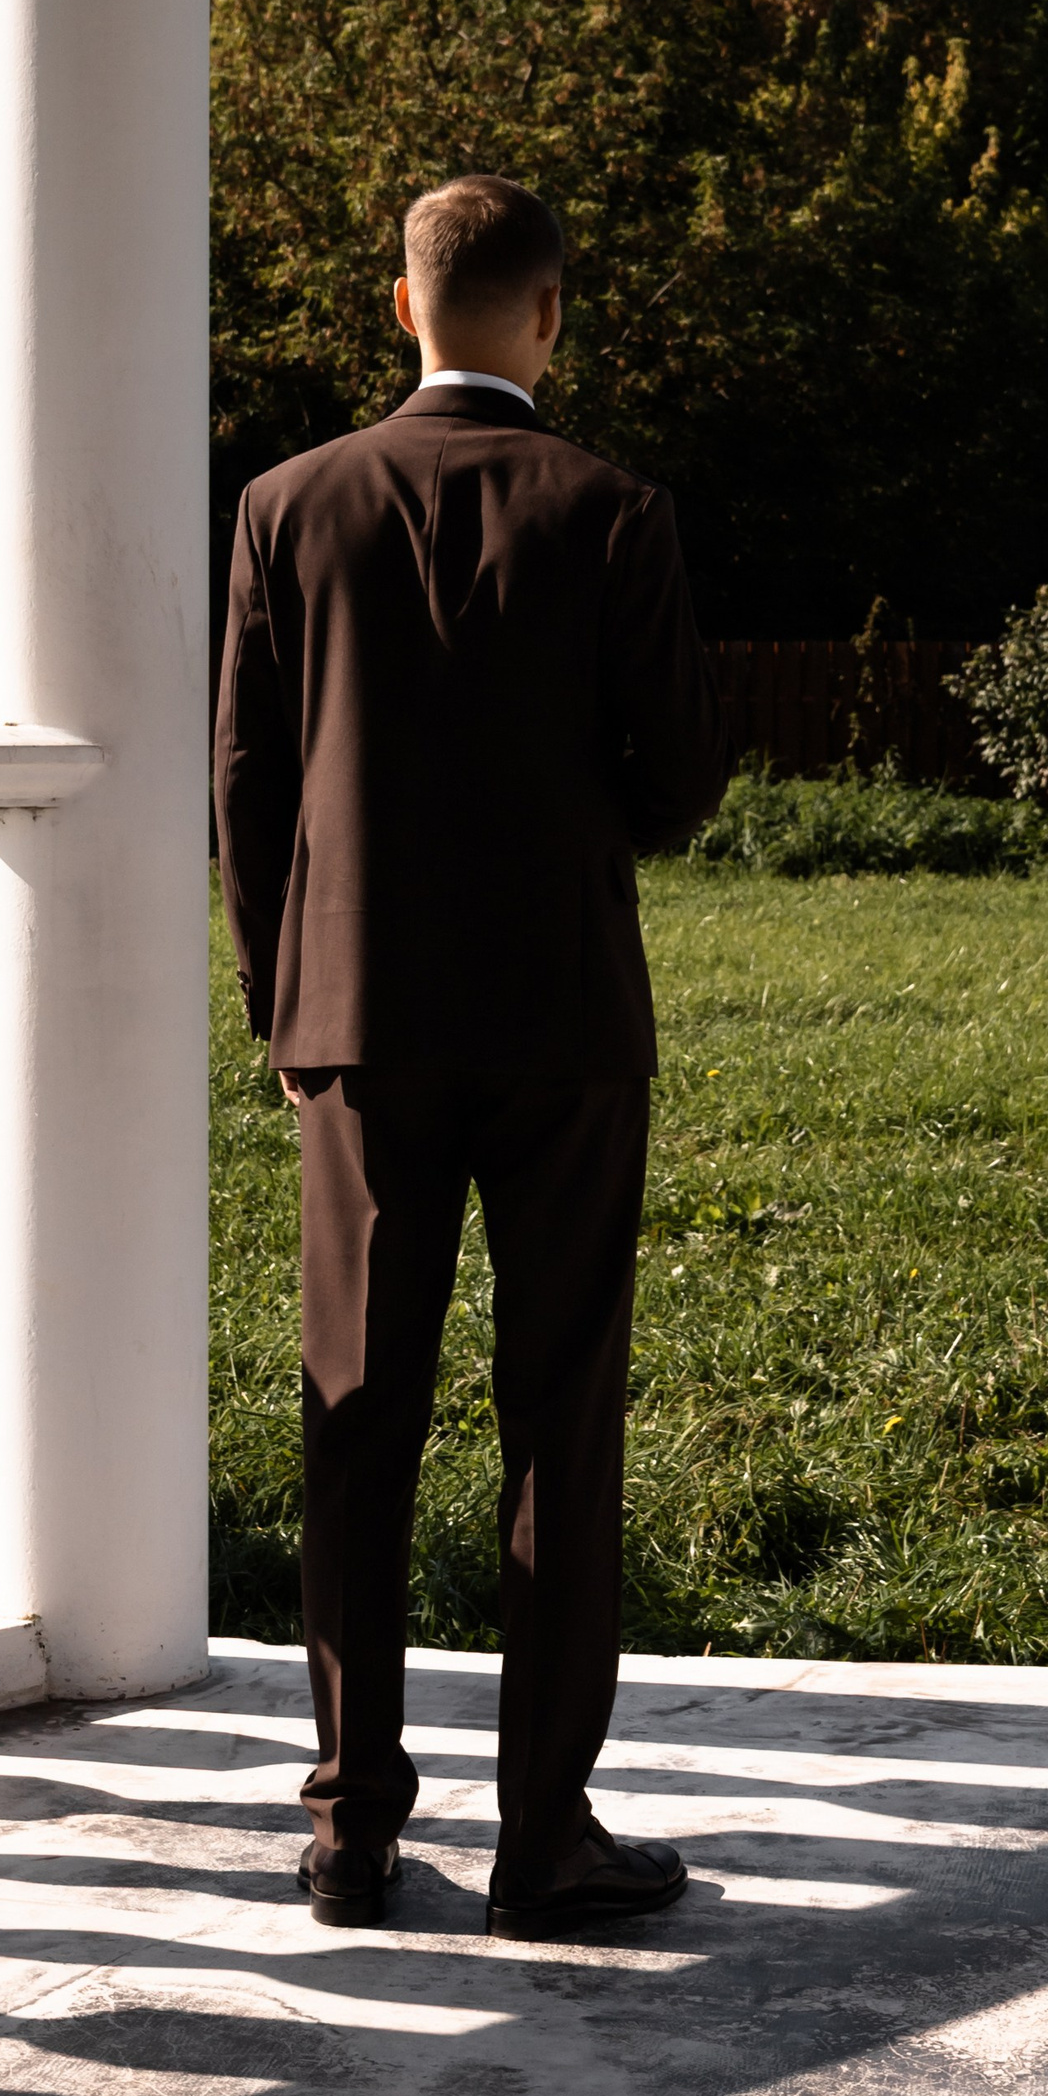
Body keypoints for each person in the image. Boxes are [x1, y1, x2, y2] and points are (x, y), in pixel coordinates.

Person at [214, 174, 728, 1938]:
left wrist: (283, 999)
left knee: (358, 1417)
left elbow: (246, 780)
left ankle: (352, 1829)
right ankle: (546, 1841)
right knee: (558, 1422)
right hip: (565, 1020)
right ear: (550, 313)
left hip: (357, 1025)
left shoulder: (287, 504)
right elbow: (683, 774)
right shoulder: (614, 508)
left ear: (403, 305)